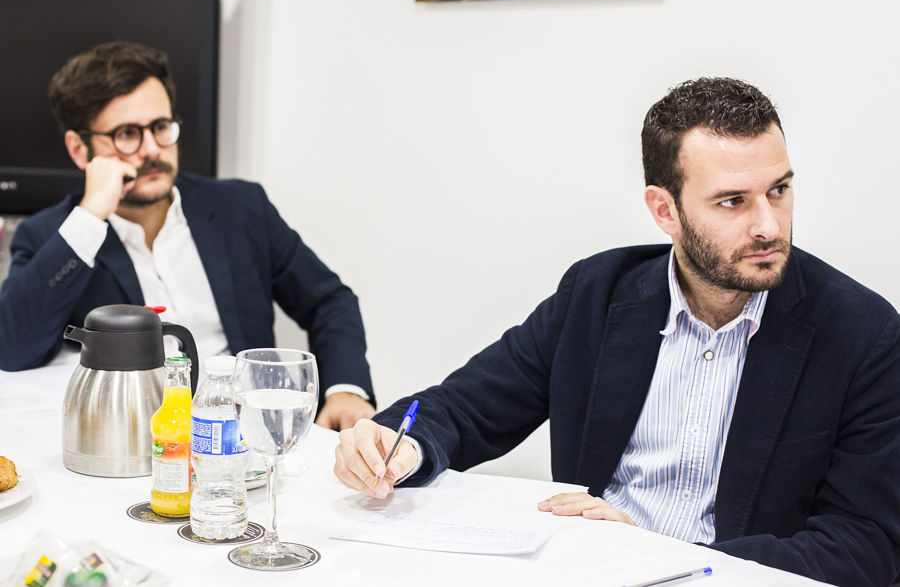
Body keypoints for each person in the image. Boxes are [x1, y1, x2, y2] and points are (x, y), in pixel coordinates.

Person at [333, 77, 900, 586]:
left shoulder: (863, 334)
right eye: (732, 201)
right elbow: (465, 410)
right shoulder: (598, 293)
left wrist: (658, 553)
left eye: (779, 189)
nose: (769, 225)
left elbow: (866, 546)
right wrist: (395, 445)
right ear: (664, 210)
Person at [0, 41, 375, 430]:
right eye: (127, 133)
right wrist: (92, 213)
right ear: (80, 149)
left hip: (251, 439)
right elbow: (12, 349)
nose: (151, 150)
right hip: (136, 447)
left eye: (160, 128)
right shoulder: (53, 235)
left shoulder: (240, 207)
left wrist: (345, 390)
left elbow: (329, 300)